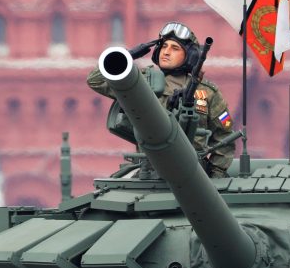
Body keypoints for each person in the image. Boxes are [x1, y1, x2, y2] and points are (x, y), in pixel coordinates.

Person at [87, 21, 236, 177]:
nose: (166, 52)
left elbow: (225, 136)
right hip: (149, 172)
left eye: (175, 48)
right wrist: (127, 56)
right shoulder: (141, 83)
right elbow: (95, 81)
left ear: (189, 55)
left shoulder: (207, 92)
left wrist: (216, 174)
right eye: (164, 47)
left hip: (193, 174)